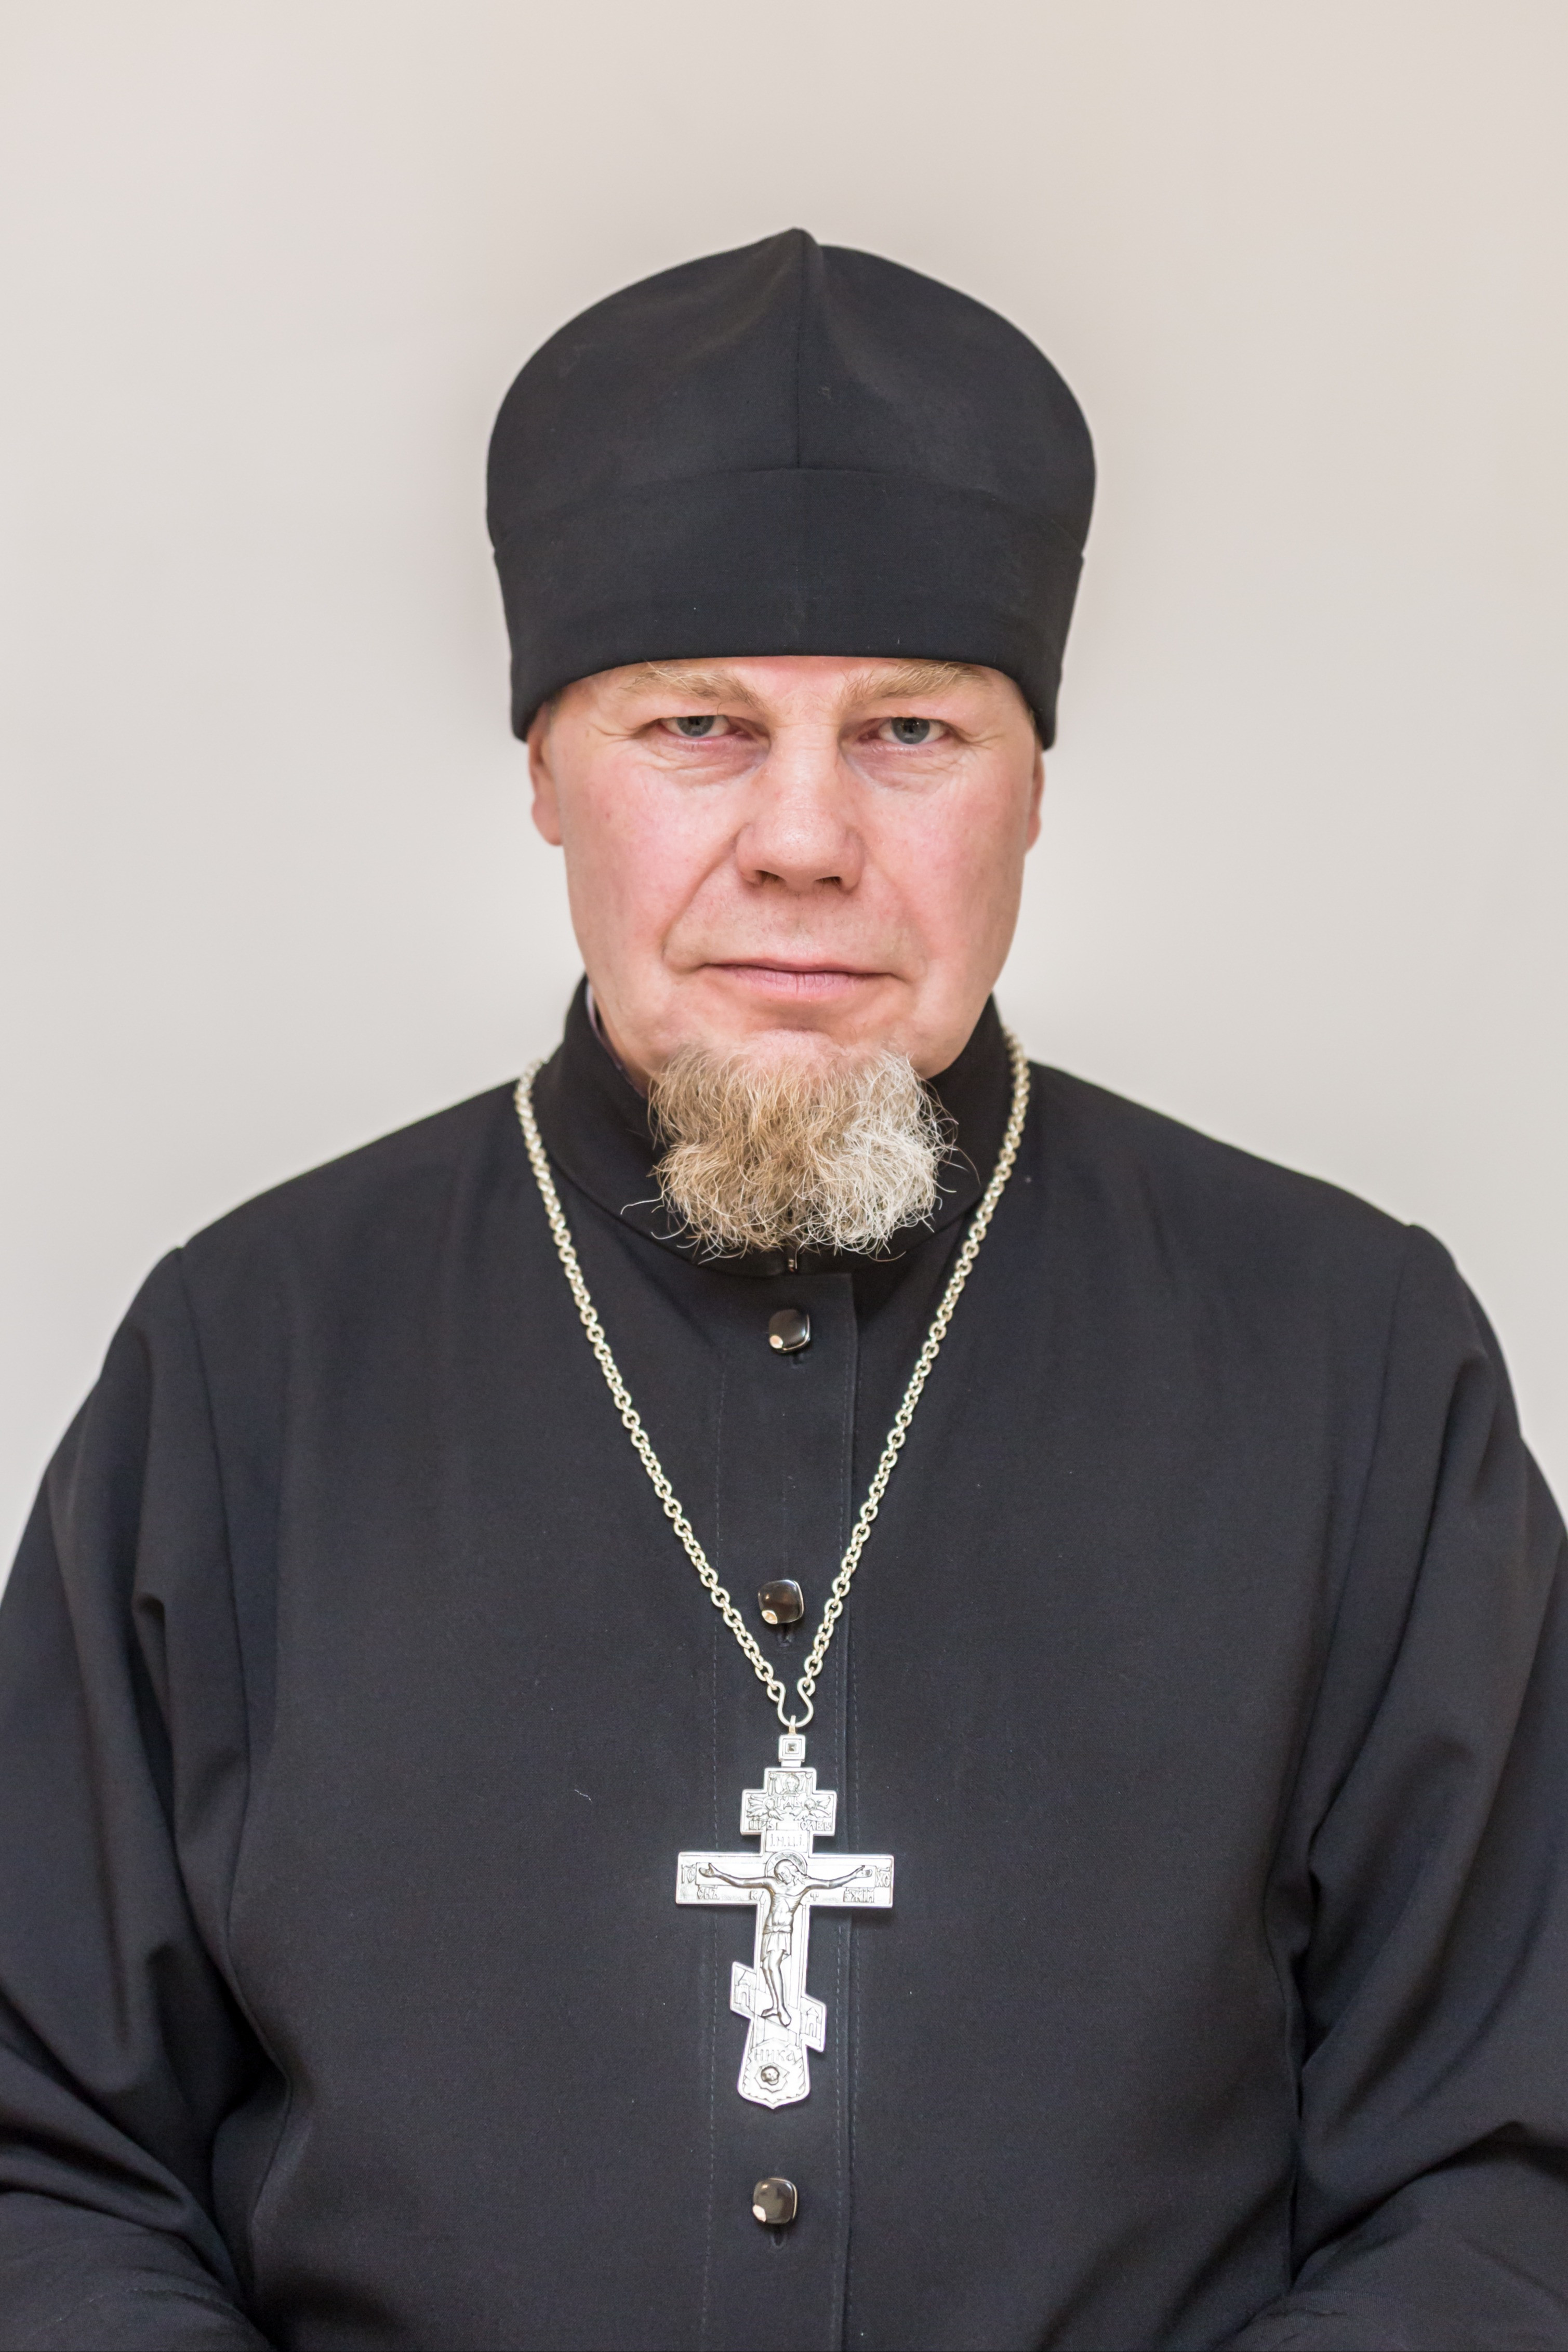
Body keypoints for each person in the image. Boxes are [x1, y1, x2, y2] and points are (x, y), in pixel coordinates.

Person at [1, 227, 1564, 2352]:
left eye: (910, 729)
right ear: (543, 773)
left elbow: (1501, 2172)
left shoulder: (1351, 1363)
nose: (804, 840)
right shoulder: (247, 1362)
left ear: (1032, 788)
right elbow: (43, 2155)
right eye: (698, 727)